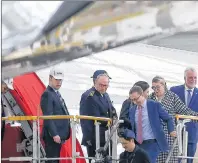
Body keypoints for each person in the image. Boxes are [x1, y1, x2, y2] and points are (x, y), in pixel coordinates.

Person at [149, 75, 198, 163]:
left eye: (158, 87)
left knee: (170, 159)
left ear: (164, 85)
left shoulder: (172, 97)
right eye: (153, 87)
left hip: (169, 135)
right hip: (154, 137)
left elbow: (184, 110)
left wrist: (196, 115)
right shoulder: (150, 98)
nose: (155, 90)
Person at [129, 86, 176, 163]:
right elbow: (131, 126)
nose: (135, 102)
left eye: (136, 99)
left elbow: (168, 118)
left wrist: (171, 130)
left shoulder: (154, 105)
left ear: (142, 95)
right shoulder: (132, 110)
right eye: (132, 100)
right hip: (138, 144)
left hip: (152, 143)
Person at [80, 71, 117, 162]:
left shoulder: (105, 95)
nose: (104, 88)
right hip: (95, 137)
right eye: (101, 85)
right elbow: (85, 120)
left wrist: (115, 117)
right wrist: (88, 139)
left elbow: (111, 110)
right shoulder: (89, 96)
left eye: (106, 85)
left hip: (107, 135)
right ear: (94, 82)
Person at [40, 67, 70, 163]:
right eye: (56, 79)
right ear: (50, 78)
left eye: (60, 80)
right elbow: (48, 116)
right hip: (52, 136)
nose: (59, 82)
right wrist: (54, 134)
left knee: (55, 159)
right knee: (52, 159)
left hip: (59, 135)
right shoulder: (48, 94)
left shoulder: (55, 94)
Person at [170, 67, 198, 163]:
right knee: (175, 159)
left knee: (189, 160)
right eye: (190, 77)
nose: (193, 80)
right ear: (184, 78)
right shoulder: (174, 91)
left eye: (195, 77)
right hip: (176, 132)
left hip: (192, 133)